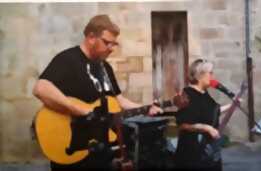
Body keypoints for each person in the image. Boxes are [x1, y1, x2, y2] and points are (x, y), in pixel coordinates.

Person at [33, 15, 162, 171]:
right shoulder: (68, 59)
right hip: (73, 149)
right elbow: (40, 88)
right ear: (91, 37)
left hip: (100, 153)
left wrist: (145, 108)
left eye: (114, 44)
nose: (112, 48)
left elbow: (119, 101)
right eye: (107, 43)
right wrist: (80, 111)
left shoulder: (105, 68)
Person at [174, 59, 232, 171]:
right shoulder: (188, 94)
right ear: (200, 75)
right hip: (193, 155)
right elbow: (183, 124)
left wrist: (232, 105)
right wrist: (206, 128)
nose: (212, 76)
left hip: (209, 152)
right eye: (210, 73)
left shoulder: (204, 93)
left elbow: (214, 111)